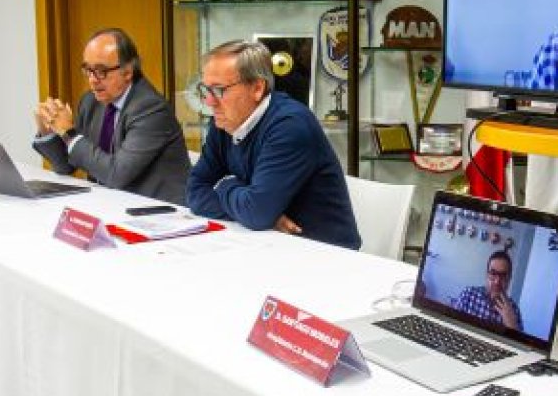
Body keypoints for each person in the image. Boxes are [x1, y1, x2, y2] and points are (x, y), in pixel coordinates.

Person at [186, 40, 361, 250]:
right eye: (205, 90)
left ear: (257, 88)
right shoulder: (224, 122)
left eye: (218, 90)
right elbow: (194, 192)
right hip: (267, 244)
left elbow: (257, 213)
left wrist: (226, 185)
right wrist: (258, 211)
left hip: (324, 253)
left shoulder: (290, 125)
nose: (209, 101)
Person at [33, 28, 190, 205]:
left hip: (157, 210)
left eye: (101, 71)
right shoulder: (90, 101)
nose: (92, 80)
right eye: (88, 70)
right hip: (110, 204)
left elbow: (116, 174)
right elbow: (66, 165)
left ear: (128, 71)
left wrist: (69, 133)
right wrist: (48, 131)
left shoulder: (150, 109)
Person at [453, 251, 524, 331]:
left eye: (503, 275)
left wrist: (512, 325)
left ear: (509, 279)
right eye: (493, 273)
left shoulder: (514, 311)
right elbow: (453, 325)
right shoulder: (468, 294)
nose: (497, 281)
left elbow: (516, 339)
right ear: (487, 274)